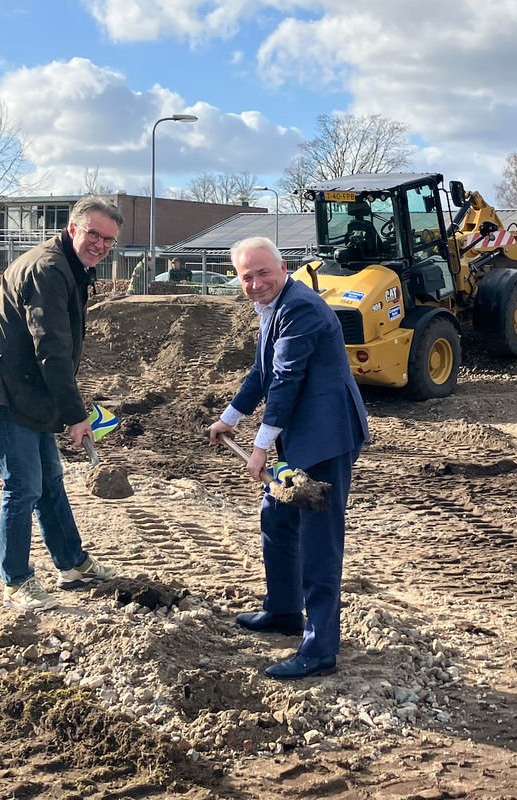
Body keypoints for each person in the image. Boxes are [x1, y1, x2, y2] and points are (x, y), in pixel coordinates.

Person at [208, 236, 370, 680]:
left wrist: (259, 447)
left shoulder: (300, 307)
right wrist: (230, 417)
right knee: (277, 520)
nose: (256, 283)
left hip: (326, 435)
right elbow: (262, 370)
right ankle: (283, 611)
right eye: (247, 277)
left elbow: (285, 379)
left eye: (263, 273)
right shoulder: (274, 306)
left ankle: (320, 650)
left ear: (283, 267)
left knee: (319, 541)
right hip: (299, 434)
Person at [0, 196, 123, 612]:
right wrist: (75, 415)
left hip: (29, 385)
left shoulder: (70, 266)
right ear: (73, 228)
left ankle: (73, 564)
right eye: (94, 234)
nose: (100, 245)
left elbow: (55, 351)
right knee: (23, 484)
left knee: (49, 478)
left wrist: (67, 410)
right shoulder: (48, 269)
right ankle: (16, 582)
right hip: (3, 386)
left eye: (109, 240)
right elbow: (51, 348)